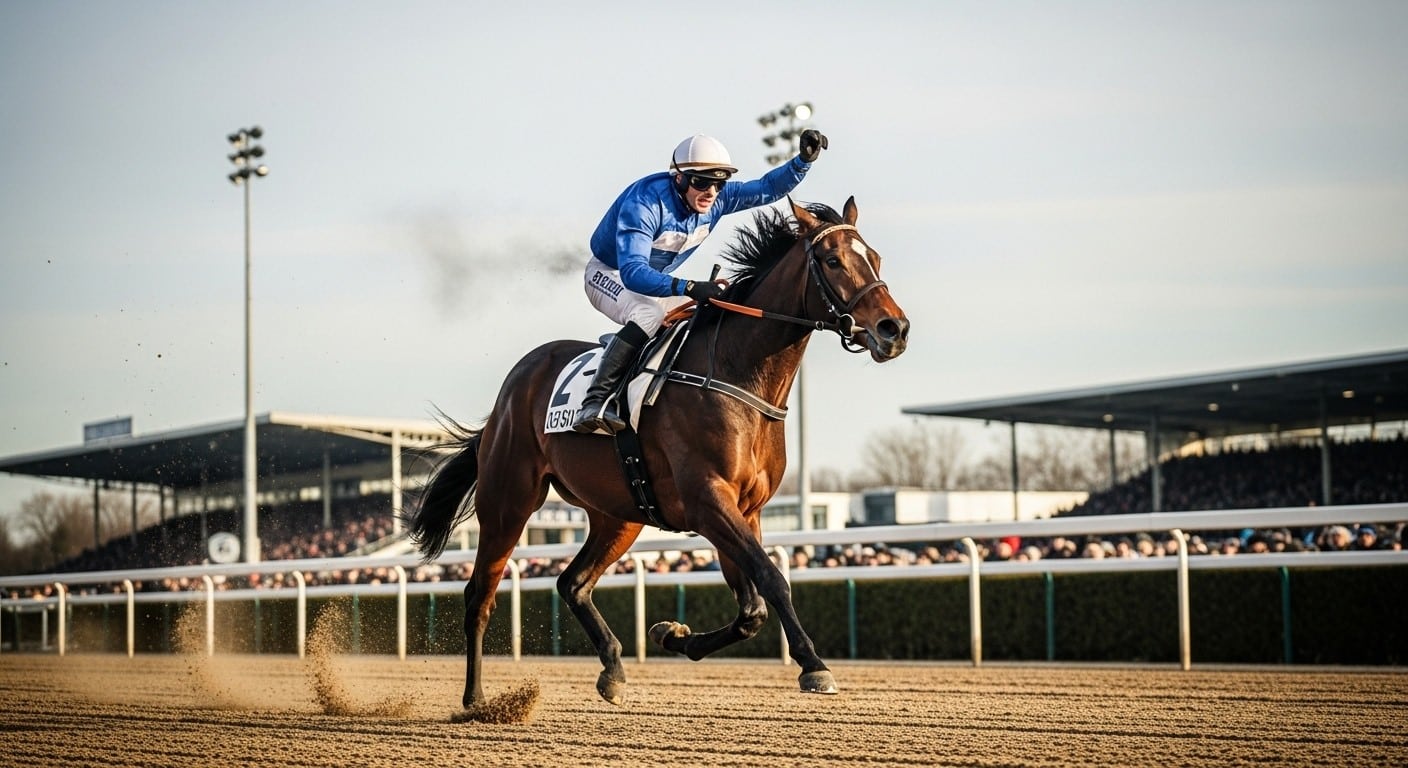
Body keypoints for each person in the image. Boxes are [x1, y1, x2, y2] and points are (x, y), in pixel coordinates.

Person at [572, 129, 829, 434]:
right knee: (648, 314)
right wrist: (689, 287)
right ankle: (596, 399)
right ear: (679, 178)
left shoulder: (717, 199)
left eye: (720, 183)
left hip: (655, 281)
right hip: (609, 274)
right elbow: (632, 273)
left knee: (707, 311)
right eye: (702, 182)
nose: (711, 192)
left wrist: (802, 162)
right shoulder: (644, 204)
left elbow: (767, 188)